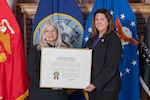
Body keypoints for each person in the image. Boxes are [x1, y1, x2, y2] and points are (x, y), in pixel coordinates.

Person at [84, 8, 122, 100]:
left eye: (102, 19)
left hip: (107, 88)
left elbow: (111, 66)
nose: (99, 22)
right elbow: (83, 57)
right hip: (92, 86)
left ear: (108, 21)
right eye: (97, 19)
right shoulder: (92, 38)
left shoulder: (113, 39)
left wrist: (96, 84)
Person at [27, 20, 67, 100]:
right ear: (43, 34)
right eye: (47, 31)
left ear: (57, 33)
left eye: (53, 30)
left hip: (59, 94)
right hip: (41, 93)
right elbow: (32, 72)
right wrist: (49, 84)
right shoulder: (36, 49)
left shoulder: (64, 49)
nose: (50, 33)